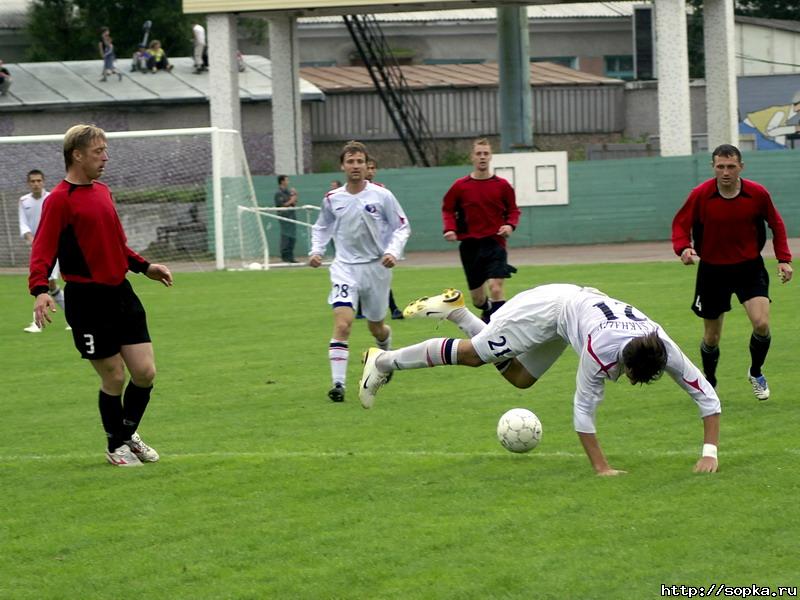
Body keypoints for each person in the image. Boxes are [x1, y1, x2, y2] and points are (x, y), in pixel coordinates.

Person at [359, 285, 721, 476]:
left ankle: (457, 311)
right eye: (627, 374)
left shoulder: (665, 346)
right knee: (472, 356)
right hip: (547, 308)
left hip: (570, 316)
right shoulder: (600, 351)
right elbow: (582, 410)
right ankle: (384, 361)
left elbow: (707, 396)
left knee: (520, 377)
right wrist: (602, 467)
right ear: (622, 358)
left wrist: (710, 453)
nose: (624, 380)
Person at [29, 124, 173, 467]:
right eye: (98, 152)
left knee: (145, 373)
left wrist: (145, 267)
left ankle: (127, 435)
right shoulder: (59, 200)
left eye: (105, 151)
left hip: (121, 293)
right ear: (77, 155)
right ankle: (116, 446)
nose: (105, 158)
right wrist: (39, 290)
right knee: (114, 375)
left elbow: (118, 245)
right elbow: (42, 250)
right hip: (86, 300)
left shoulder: (103, 191)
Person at [672, 144, 793, 401]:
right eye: (720, 167)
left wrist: (784, 259)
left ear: (741, 167)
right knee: (712, 337)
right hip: (712, 271)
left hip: (749, 268)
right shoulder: (701, 195)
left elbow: (777, 224)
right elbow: (680, 225)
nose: (725, 172)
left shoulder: (757, 194)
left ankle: (756, 372)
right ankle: (710, 383)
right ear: (713, 167)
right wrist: (683, 248)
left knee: (761, 323)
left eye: (731, 166)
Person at [309, 140, 411, 403]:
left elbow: (401, 226)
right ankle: (338, 385)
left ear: (367, 166)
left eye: (360, 162)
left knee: (377, 328)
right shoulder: (333, 199)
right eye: (350, 162)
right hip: (344, 268)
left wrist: (392, 252)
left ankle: (385, 356)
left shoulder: (382, 196)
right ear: (343, 166)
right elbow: (322, 227)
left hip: (376, 268)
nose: (355, 166)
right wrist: (316, 250)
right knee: (343, 325)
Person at [442, 138, 520, 322]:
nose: (482, 157)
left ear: (491, 156)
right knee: (478, 300)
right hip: (470, 246)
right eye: (479, 153)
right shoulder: (460, 186)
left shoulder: (502, 186)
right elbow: (447, 209)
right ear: (472, 157)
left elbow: (514, 210)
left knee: (496, 288)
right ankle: (487, 311)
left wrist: (509, 225)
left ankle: (498, 329)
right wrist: (450, 228)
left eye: (486, 153)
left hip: (495, 243)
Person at [19, 169, 67, 333]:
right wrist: (31, 239)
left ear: (43, 182)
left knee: (46, 283)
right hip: (37, 250)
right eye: (32, 181)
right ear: (28, 183)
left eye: (39, 181)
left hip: (53, 249)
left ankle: (37, 323)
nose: (36, 184)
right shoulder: (23, 201)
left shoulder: (52, 198)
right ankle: (74, 318)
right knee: (47, 285)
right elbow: (23, 225)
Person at [355, 157, 403, 320]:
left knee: (381, 277)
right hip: (361, 241)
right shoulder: (353, 191)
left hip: (379, 243)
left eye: (373, 168)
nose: (370, 171)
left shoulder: (381, 191)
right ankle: (362, 309)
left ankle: (394, 309)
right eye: (368, 167)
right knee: (362, 278)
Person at [274, 174, 298, 263]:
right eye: (287, 180)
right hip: (284, 217)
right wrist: (291, 200)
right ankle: (285, 256)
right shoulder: (278, 193)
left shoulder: (288, 192)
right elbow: (282, 205)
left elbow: (294, 203)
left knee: (292, 237)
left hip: (292, 216)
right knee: (286, 237)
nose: (288, 182)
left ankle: (291, 256)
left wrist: (295, 195)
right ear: (282, 181)